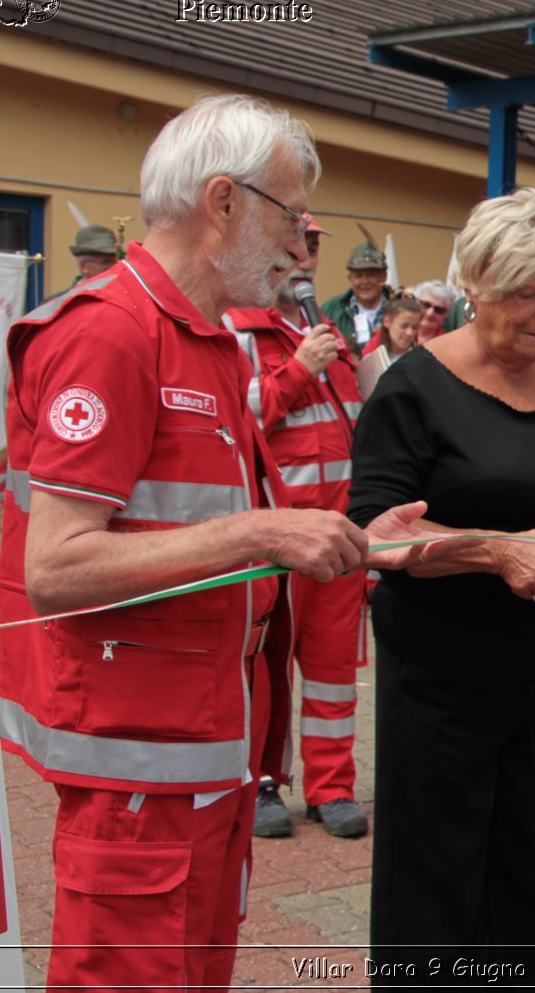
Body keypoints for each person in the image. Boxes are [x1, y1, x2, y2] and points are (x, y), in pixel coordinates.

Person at [0, 93, 446, 992]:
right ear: (224, 203)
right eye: (290, 212)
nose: (300, 238)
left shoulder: (209, 344)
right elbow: (57, 567)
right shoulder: (110, 334)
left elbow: (209, 531)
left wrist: (355, 540)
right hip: (136, 779)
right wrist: (260, 531)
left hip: (205, 760)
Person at [347, 187, 535, 984]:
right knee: (439, 881)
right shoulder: (411, 389)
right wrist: (494, 551)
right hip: (442, 682)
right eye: (527, 294)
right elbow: (373, 535)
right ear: (476, 282)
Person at [224, 216, 373, 840]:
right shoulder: (235, 328)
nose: (306, 257)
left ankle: (331, 788)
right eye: (298, 245)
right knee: (264, 667)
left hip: (338, 537)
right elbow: (237, 415)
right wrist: (300, 368)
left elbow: (357, 425)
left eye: (314, 246)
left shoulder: (328, 334)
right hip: (275, 540)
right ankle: (259, 782)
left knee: (335, 668)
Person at [322, 241, 394, 356]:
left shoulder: (398, 308)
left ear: (384, 276)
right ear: (350, 278)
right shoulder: (331, 309)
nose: (364, 281)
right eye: (358, 276)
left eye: (371, 275)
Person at [411, 278, 459, 345]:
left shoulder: (448, 345)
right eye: (426, 305)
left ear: (446, 314)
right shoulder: (397, 335)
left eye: (439, 310)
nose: (430, 313)